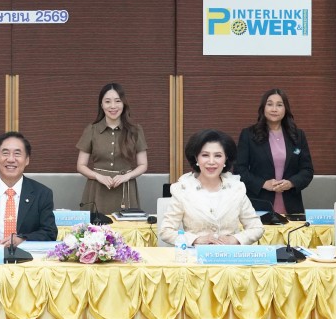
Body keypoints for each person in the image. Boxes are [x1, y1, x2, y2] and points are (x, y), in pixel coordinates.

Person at [158, 129, 264, 247]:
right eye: (205, 155)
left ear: (226, 158)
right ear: (196, 158)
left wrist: (234, 239)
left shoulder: (236, 188)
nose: (211, 162)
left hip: (229, 255)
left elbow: (256, 228)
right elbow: (166, 231)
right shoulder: (182, 189)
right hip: (195, 255)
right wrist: (197, 239)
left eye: (218, 156)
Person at [235, 88, 314, 216]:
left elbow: (307, 170)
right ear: (263, 108)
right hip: (258, 206)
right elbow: (239, 170)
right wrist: (263, 184)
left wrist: (291, 183)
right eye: (270, 104)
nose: (274, 109)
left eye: (279, 105)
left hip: (292, 206)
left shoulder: (298, 136)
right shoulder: (249, 135)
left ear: (286, 109)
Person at [76, 82, 149, 215]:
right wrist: (98, 176)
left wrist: (127, 176)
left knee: (126, 226)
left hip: (126, 189)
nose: (113, 106)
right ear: (101, 105)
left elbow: (143, 164)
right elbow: (81, 165)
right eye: (108, 101)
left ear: (124, 104)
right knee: (95, 226)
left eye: (117, 101)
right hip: (97, 188)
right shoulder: (91, 129)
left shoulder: (136, 130)